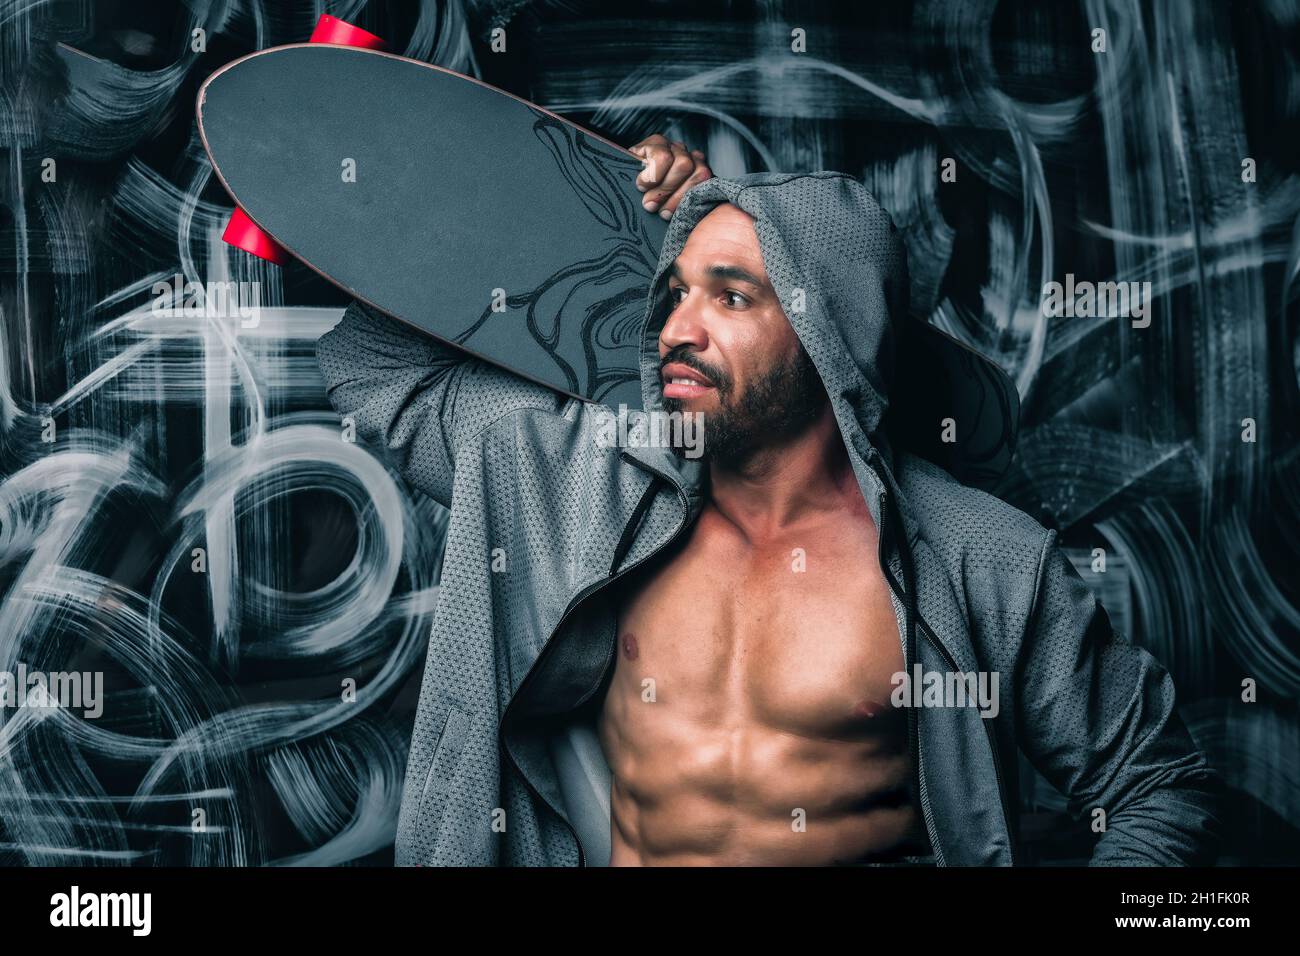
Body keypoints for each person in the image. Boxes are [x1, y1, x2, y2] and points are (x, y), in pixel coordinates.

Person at [315, 134, 1222, 866]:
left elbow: (1159, 786)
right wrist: (593, 218)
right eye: (674, 293)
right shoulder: (578, 482)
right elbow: (370, 363)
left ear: (835, 333)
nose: (675, 329)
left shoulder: (982, 559)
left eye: (733, 297)